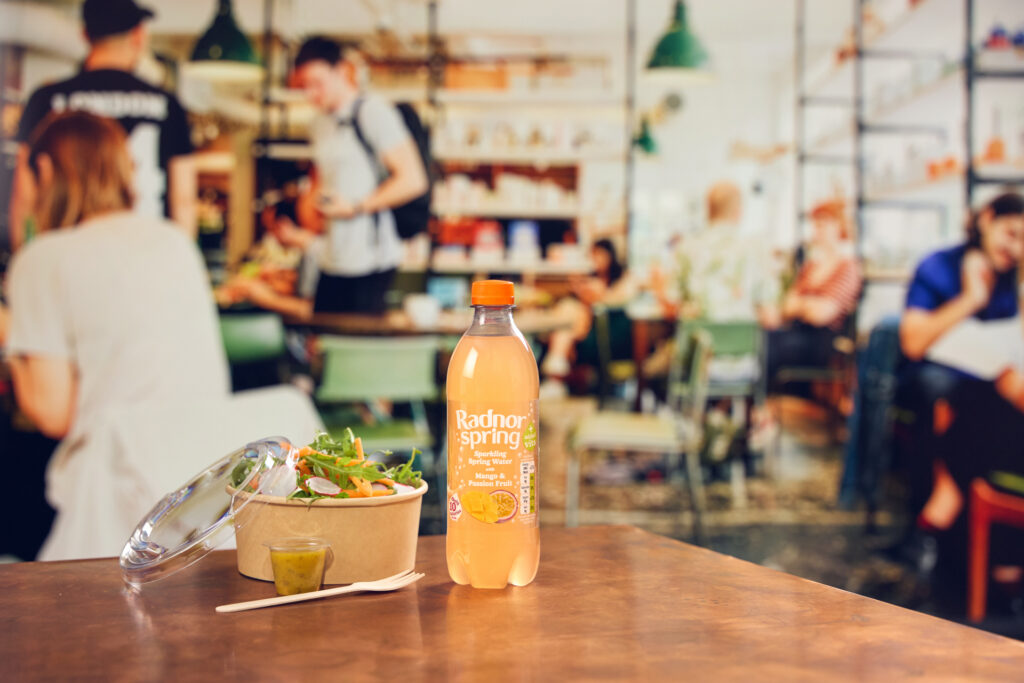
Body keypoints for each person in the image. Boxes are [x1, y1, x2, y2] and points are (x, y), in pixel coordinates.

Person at [0, 111, 229, 559]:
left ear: (43, 169)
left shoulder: (42, 259)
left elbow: (52, 414)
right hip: (204, 496)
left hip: (110, 504)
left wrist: (9, 331)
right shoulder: (174, 242)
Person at [237, 37, 426, 317]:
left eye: (317, 82)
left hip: (371, 258)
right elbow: (324, 183)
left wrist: (356, 207)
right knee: (320, 332)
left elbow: (413, 180)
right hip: (331, 255)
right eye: (304, 86)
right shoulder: (318, 124)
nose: (311, 93)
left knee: (351, 339)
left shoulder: (372, 112)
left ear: (341, 71)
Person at [895, 192, 1024, 580]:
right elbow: (913, 343)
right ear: (985, 220)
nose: (1016, 249)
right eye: (1011, 234)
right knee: (949, 393)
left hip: (992, 386)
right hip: (935, 380)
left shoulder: (1013, 276)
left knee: (998, 399)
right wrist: (971, 299)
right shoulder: (938, 266)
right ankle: (954, 524)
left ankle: (944, 518)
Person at [9, 0, 195, 246]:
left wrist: (26, 257)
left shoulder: (46, 99)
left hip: (67, 251)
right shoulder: (168, 104)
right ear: (138, 36)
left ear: (85, 34)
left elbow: (23, 194)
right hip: (145, 249)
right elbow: (183, 198)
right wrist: (182, 257)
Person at [760, 198, 862, 384]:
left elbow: (822, 314)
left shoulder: (848, 268)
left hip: (823, 342)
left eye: (823, 225)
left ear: (839, 226)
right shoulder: (811, 267)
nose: (817, 230)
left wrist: (801, 305)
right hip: (796, 333)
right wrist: (808, 305)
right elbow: (787, 306)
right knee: (761, 338)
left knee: (768, 347)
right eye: (816, 225)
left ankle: (758, 399)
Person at [540, 239, 638, 396]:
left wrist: (596, 296)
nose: (596, 259)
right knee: (568, 311)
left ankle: (555, 376)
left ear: (610, 255)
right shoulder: (589, 277)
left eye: (599, 254)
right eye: (593, 255)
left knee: (567, 319)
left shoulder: (622, 279)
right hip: (587, 326)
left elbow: (616, 299)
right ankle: (556, 375)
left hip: (610, 331)